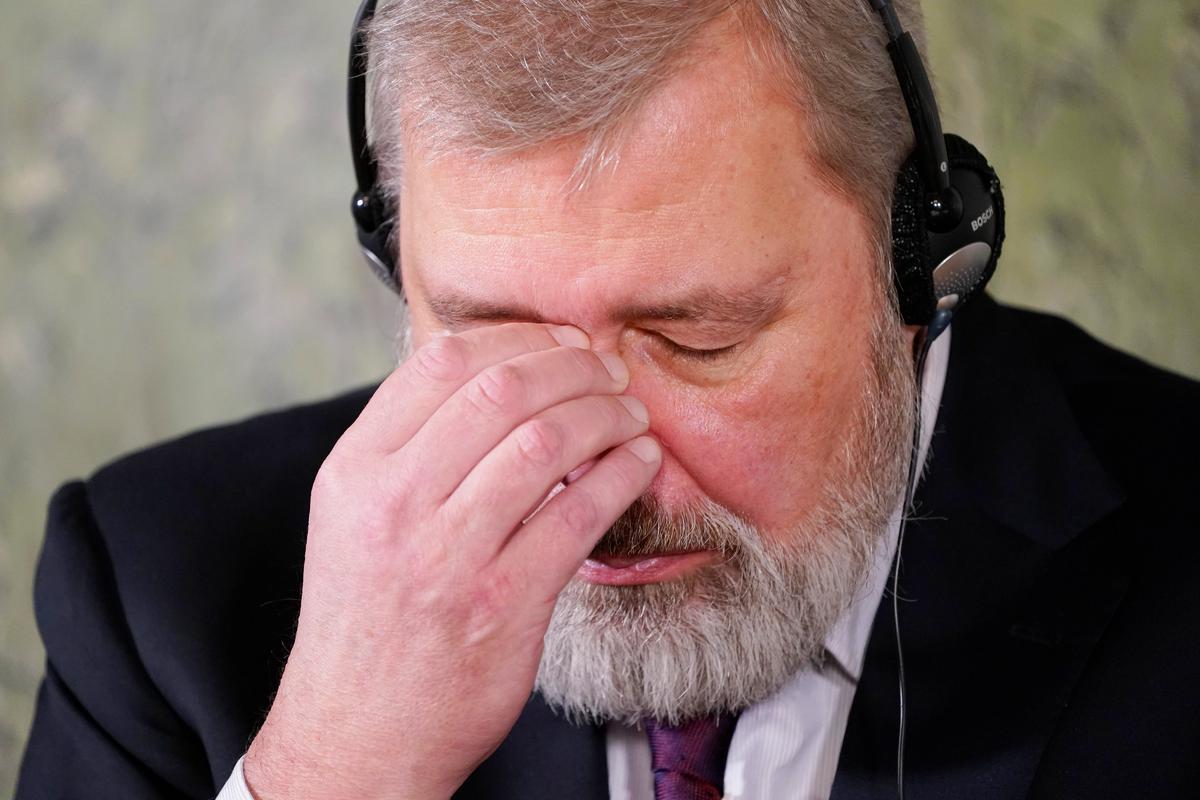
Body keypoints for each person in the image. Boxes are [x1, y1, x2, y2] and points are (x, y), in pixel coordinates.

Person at [15, 0, 1200, 798]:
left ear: (922, 254)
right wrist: (335, 768)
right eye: (497, 337)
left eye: (697, 336)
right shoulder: (152, 592)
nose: (595, 472)